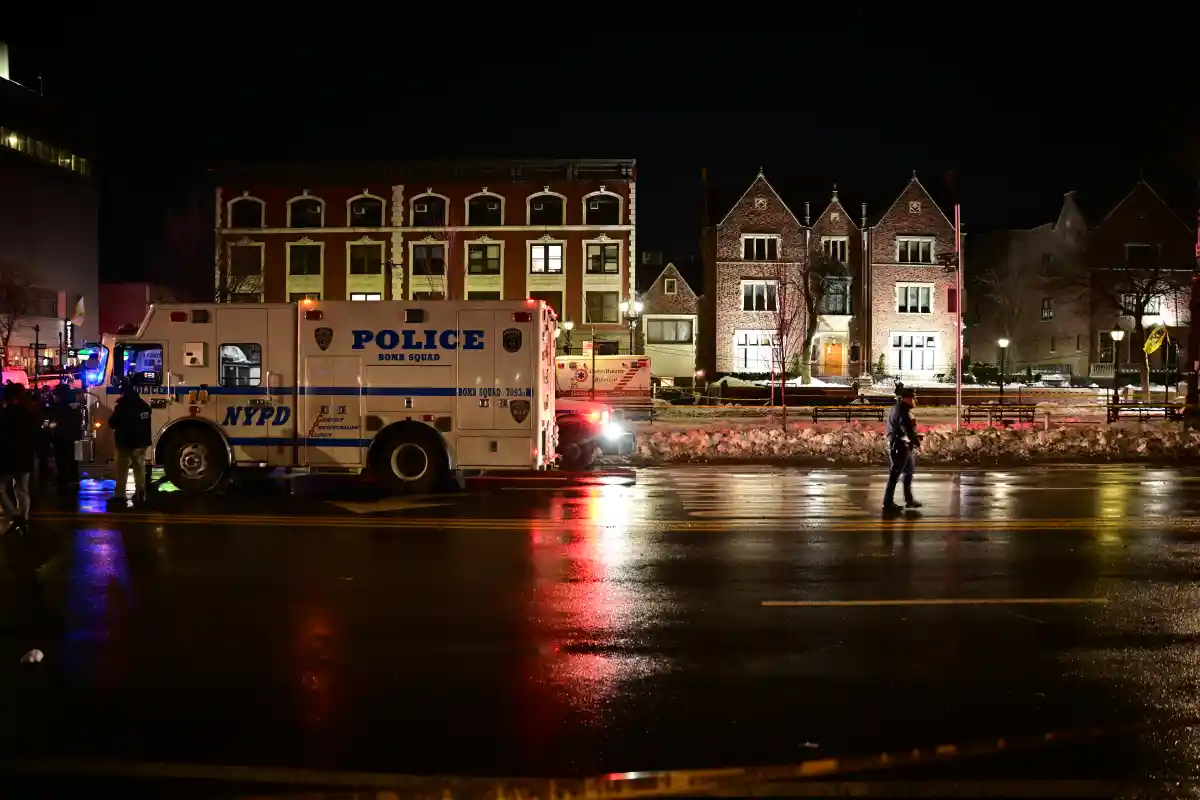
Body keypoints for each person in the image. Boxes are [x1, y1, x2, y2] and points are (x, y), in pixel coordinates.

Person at [0, 383, 39, 533]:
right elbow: (37, 436)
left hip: (7, 457)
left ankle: (15, 516)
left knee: (2, 489)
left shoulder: (4, 415)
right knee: (22, 489)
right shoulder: (30, 414)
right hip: (25, 456)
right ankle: (23, 518)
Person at [108, 380, 152, 509]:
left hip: (125, 442)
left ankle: (119, 496)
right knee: (139, 468)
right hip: (141, 442)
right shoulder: (143, 405)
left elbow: (112, 422)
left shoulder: (122, 405)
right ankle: (140, 493)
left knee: (122, 469)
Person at [883, 386, 922, 514]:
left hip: (904, 446)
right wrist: (917, 443)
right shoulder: (902, 411)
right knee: (895, 475)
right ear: (907, 398)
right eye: (913, 398)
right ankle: (888, 502)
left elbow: (908, 429)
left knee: (908, 472)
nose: (915, 400)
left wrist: (914, 438)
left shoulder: (901, 408)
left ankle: (909, 500)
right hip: (899, 446)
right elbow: (907, 430)